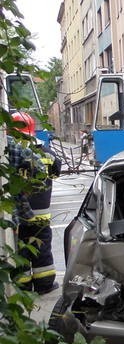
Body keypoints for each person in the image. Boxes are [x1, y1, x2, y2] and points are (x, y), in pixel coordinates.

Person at [8, 111, 62, 294]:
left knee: (21, 249)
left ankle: (23, 286)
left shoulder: (8, 152)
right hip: (42, 214)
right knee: (42, 249)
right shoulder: (47, 153)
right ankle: (45, 285)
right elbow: (55, 172)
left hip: (20, 213)